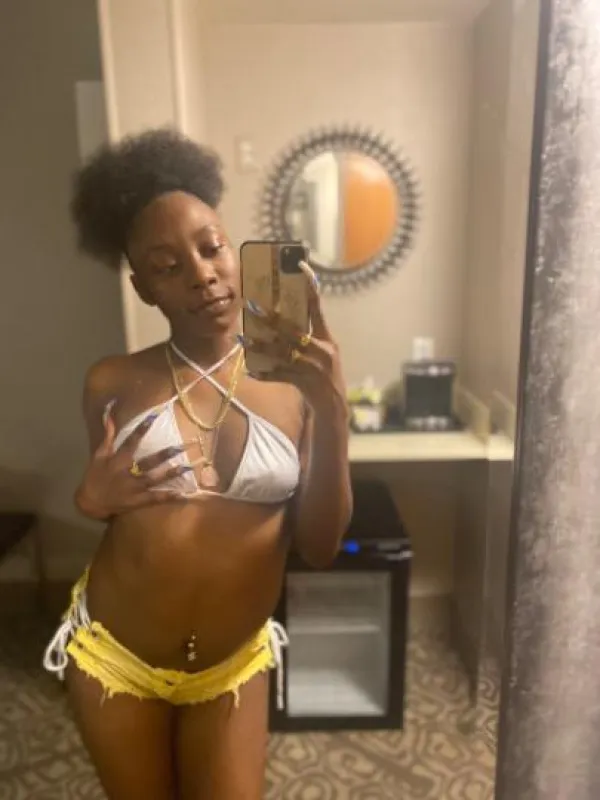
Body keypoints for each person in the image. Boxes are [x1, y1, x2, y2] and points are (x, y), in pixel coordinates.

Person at [42, 128, 352, 799]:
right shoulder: (111, 381)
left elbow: (322, 547)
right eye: (167, 266)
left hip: (231, 667)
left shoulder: (296, 384)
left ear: (234, 251)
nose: (202, 274)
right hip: (114, 657)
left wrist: (334, 413)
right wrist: (91, 503)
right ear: (142, 288)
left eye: (211, 248)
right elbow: (123, 516)